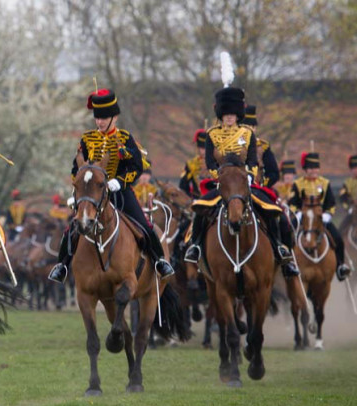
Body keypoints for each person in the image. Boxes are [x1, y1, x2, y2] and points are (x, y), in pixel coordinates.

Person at [48, 88, 175, 284]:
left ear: (114, 117)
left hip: (120, 192)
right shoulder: (87, 139)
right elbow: (77, 169)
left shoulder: (125, 138)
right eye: (97, 118)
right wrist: (78, 191)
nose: (99, 122)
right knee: (72, 228)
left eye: (104, 118)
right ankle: (62, 265)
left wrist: (120, 181)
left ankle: (159, 261)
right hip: (92, 194)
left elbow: (137, 166)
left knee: (144, 225)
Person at [183, 85, 299, 277]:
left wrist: (250, 175)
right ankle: (195, 246)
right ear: (221, 114)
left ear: (238, 114)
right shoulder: (212, 135)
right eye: (226, 113)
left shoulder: (247, 134)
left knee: (272, 209)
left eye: (232, 113)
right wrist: (218, 177)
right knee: (200, 208)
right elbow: (210, 162)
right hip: (222, 183)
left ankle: (279, 247)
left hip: (244, 183)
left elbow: (252, 159)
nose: (229, 117)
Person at [288, 152, 351, 280]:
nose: (313, 171)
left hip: (321, 219)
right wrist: (298, 213)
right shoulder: (298, 184)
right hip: (303, 218)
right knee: (287, 235)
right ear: (305, 170)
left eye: (316, 168)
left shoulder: (325, 183)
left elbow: (331, 203)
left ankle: (340, 266)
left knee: (338, 238)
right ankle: (288, 264)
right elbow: (292, 203)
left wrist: (328, 214)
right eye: (310, 168)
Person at [240, 105, 280, 188]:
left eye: (250, 127)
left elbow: (273, 173)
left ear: (254, 128)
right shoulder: (231, 146)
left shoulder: (263, 147)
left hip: (257, 188)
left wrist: (262, 185)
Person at [179, 129, 209, 198]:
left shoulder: (217, 163)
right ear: (198, 148)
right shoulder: (191, 164)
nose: (204, 151)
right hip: (197, 200)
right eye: (202, 148)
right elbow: (183, 186)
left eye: (207, 148)